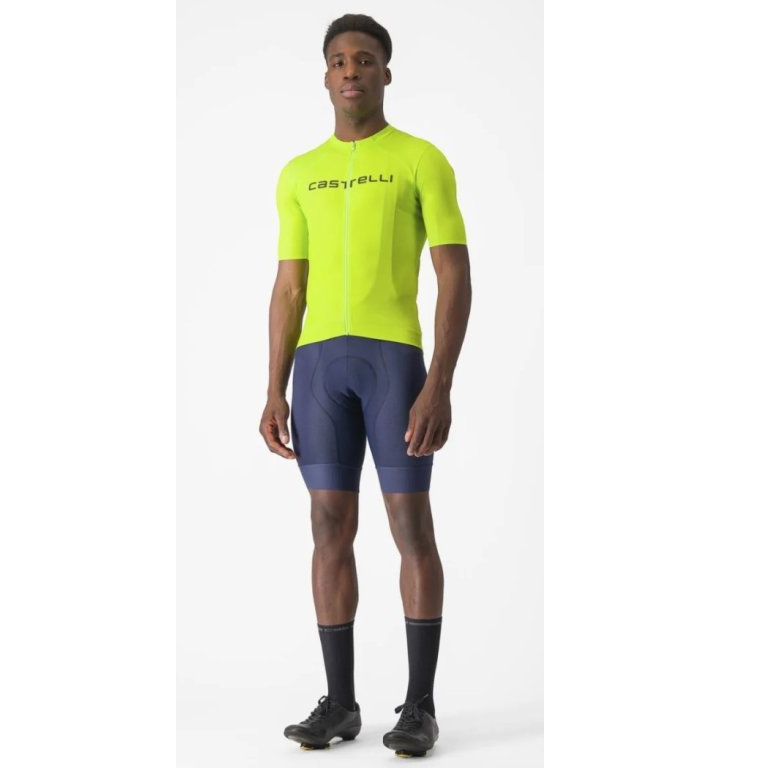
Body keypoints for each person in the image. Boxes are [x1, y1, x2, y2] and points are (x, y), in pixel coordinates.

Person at [259, 12, 472, 758]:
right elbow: (290, 288)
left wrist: (439, 381)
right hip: (319, 371)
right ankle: (342, 704)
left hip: (394, 368)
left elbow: (454, 274)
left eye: (365, 59)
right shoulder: (298, 173)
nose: (351, 70)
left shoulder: (421, 159)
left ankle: (420, 706)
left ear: (385, 72)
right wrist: (274, 386)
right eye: (339, 60)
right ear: (326, 76)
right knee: (327, 527)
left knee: (410, 528)